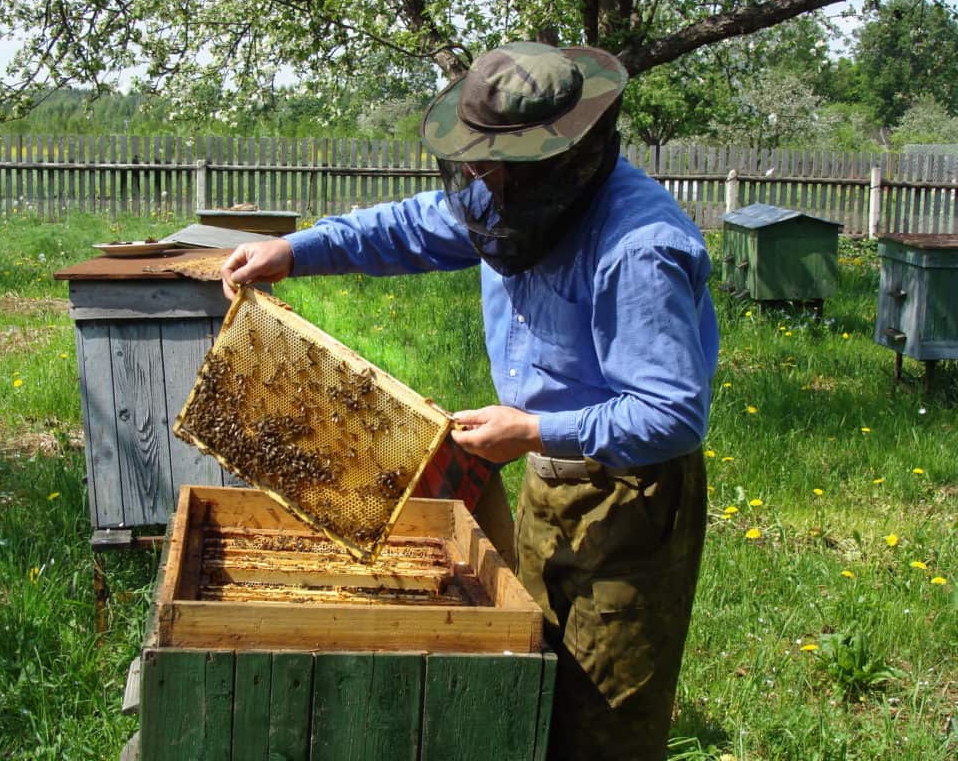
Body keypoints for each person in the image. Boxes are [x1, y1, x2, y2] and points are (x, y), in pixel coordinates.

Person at [222, 40, 718, 761]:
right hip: (549, 477)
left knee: (605, 721)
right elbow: (408, 228)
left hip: (632, 500)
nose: (478, 179)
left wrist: (534, 428)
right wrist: (296, 250)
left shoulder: (640, 248)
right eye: (476, 161)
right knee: (538, 669)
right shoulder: (510, 201)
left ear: (556, 158)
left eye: (495, 162)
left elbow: (671, 415)